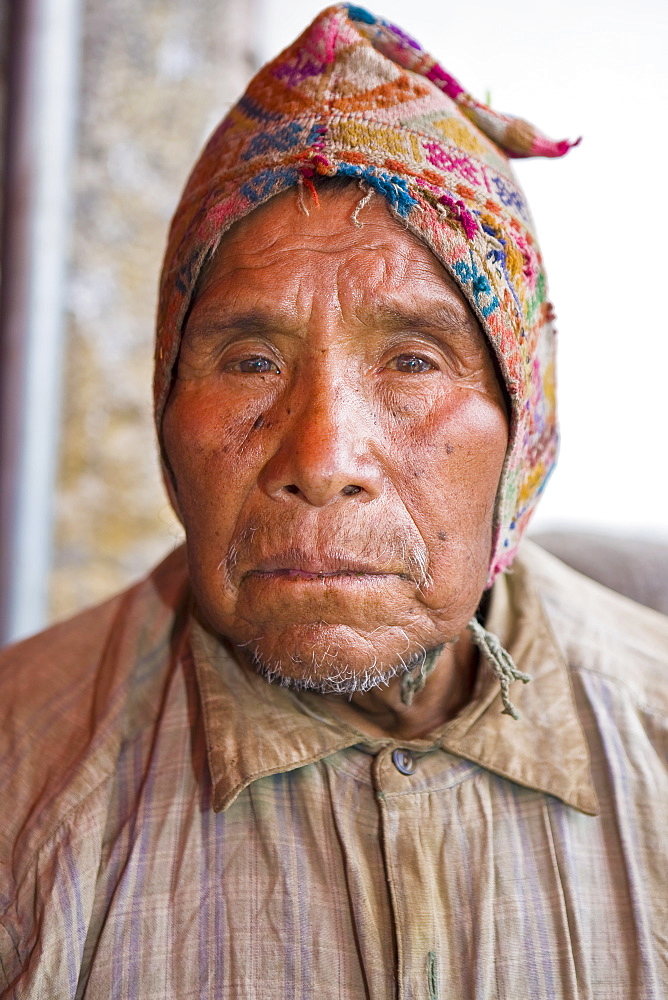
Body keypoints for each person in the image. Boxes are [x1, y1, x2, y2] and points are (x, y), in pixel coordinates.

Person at [1, 5, 667, 997]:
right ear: (166, 406)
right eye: (249, 360)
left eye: (411, 360)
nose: (320, 458)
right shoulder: (22, 791)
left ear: (523, 422)